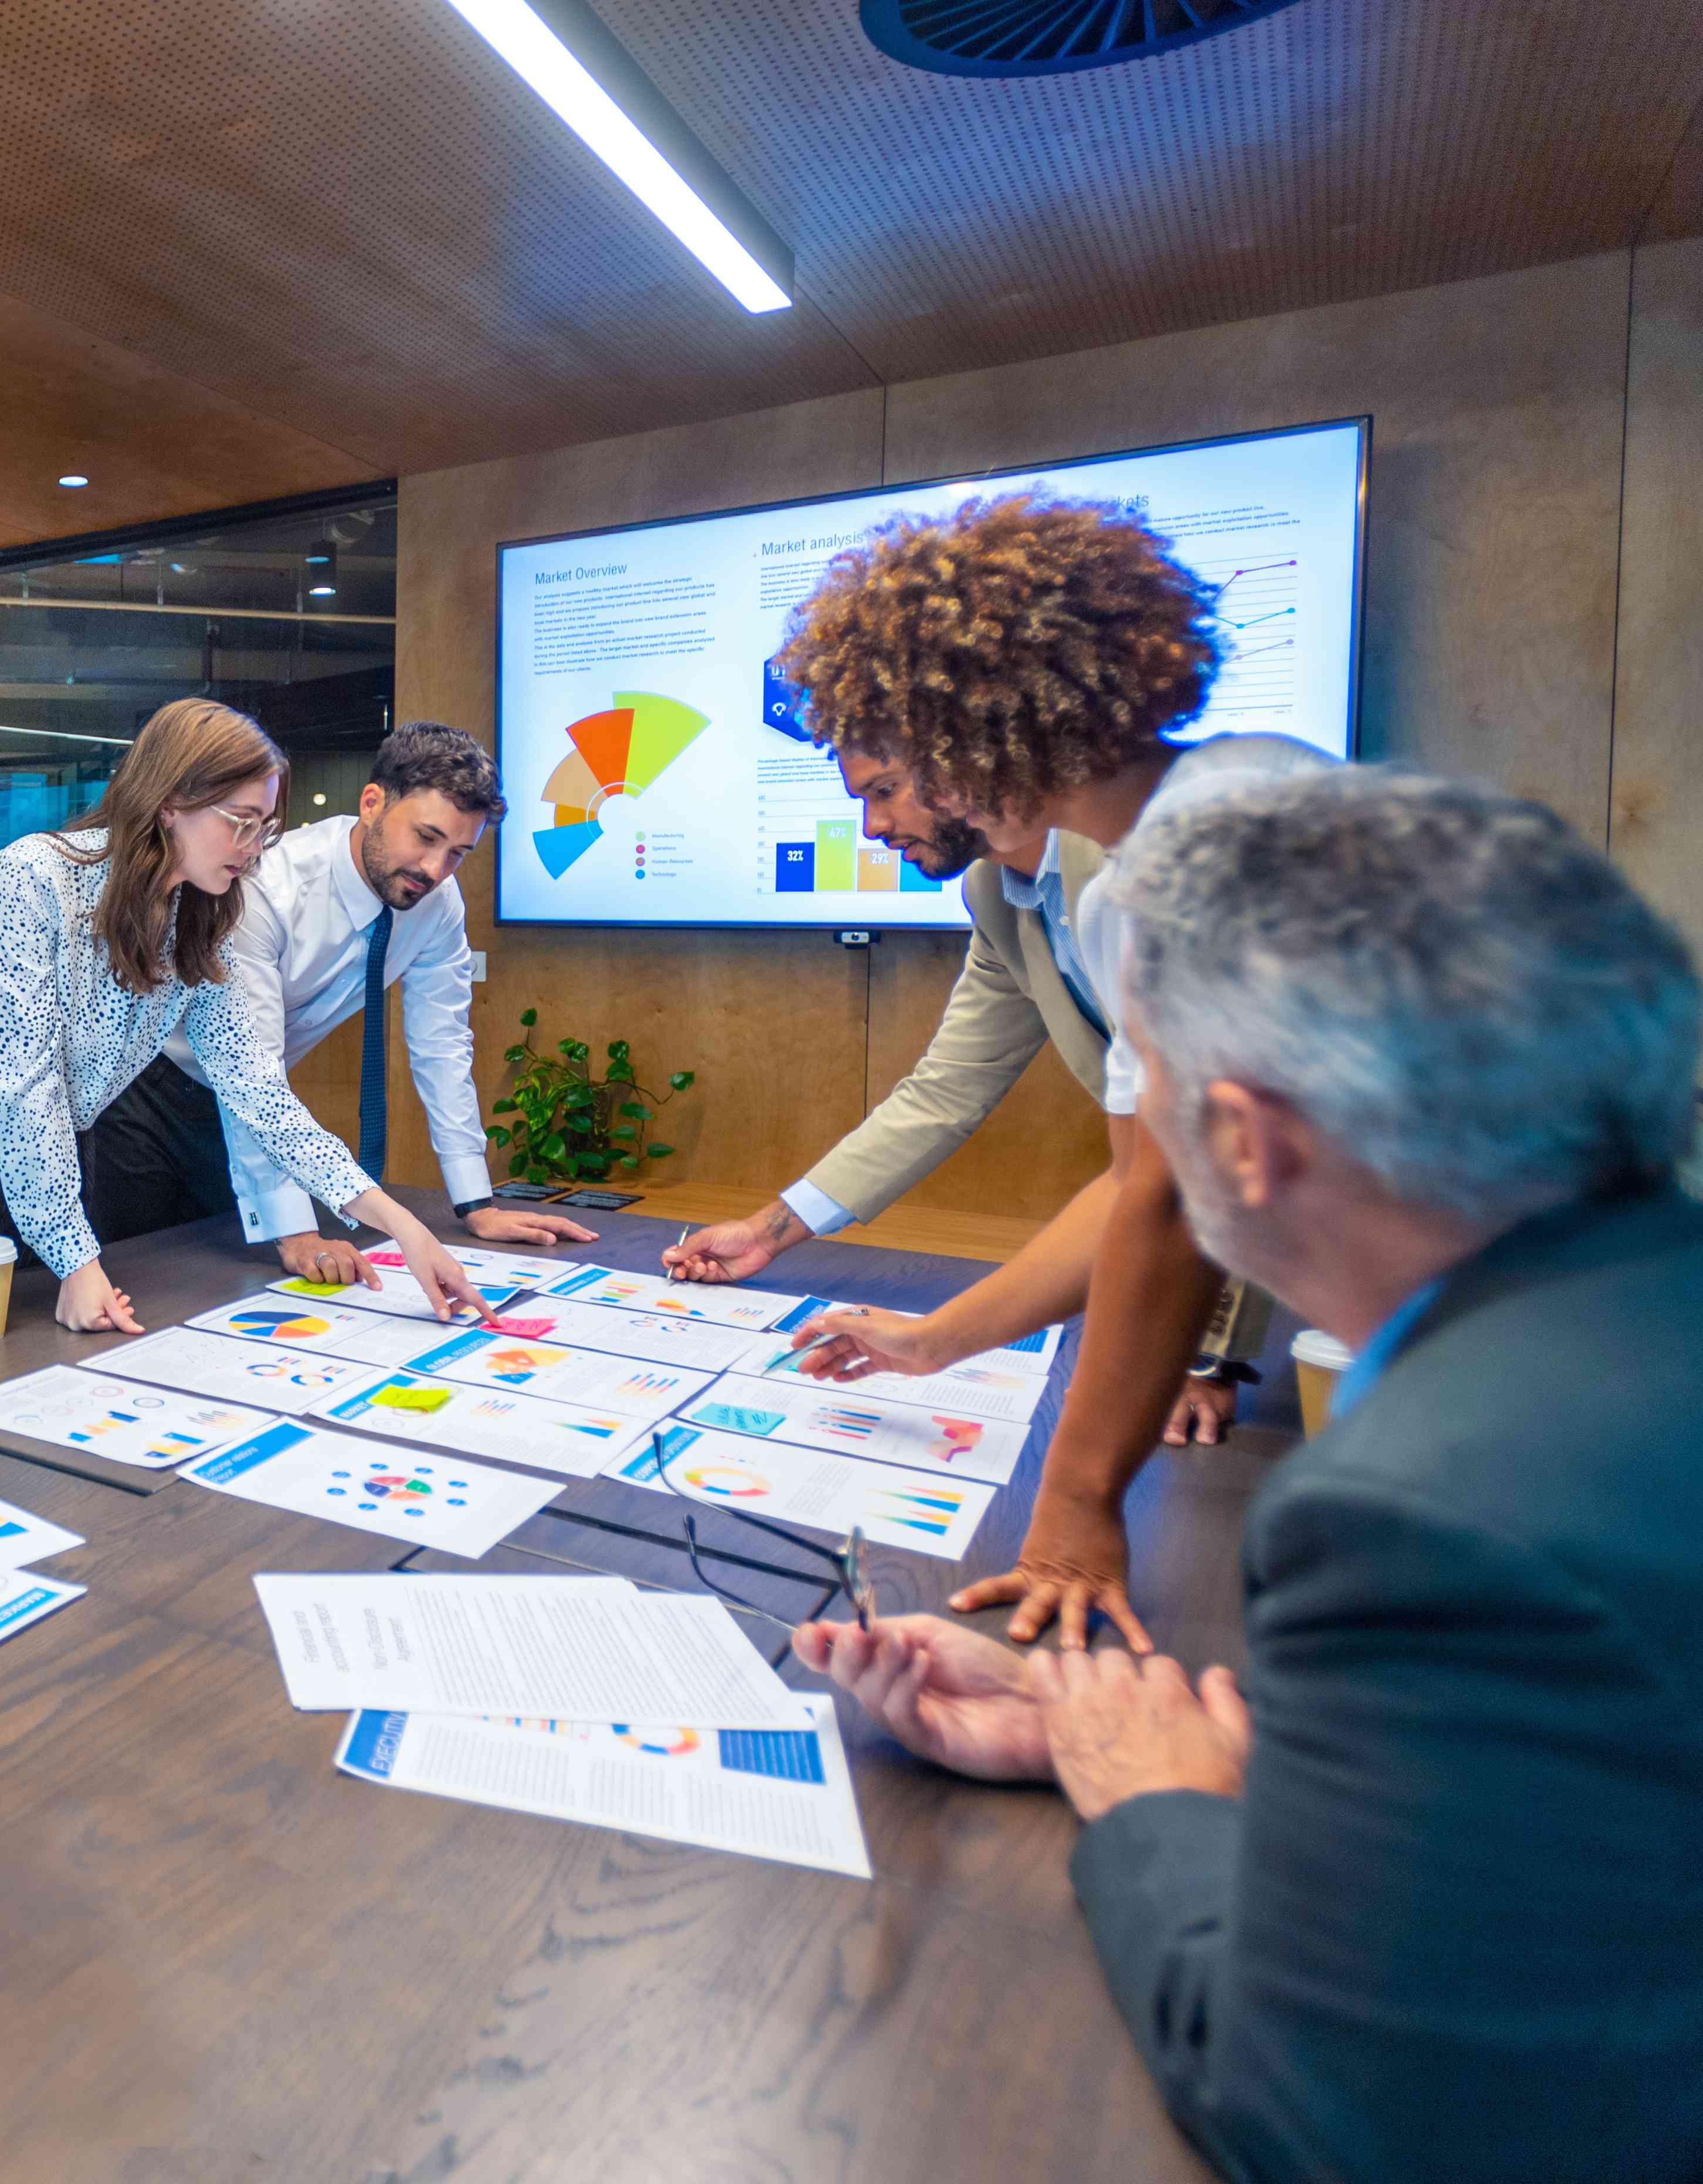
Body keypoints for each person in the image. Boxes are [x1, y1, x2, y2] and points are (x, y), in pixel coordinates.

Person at [796, 771, 1703, 2182]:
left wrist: (1149, 1799)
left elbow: (1329, 2112)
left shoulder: (1425, 1510)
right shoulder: (1622, 1335)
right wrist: (1118, 1724)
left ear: (1241, 1137)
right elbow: (1574, 1789)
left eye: (1142, 1085)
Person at [721, 490, 1328, 1647]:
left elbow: (1167, 1196)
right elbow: (1136, 1178)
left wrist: (1072, 1514)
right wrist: (936, 1338)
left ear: (965, 733)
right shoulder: (1196, 812)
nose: (895, 811)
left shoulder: (1175, 865)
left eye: (897, 774)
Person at [658, 742, 1255, 1447]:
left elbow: (1233, 1132)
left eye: (885, 790)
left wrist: (1195, 1352)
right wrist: (768, 1231)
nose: (872, 828)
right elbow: (946, 1088)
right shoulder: (997, 892)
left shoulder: (1137, 865)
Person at [0, 697, 485, 1330]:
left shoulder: (203, 914)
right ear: (169, 802)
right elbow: (27, 1089)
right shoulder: (33, 877)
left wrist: (401, 1225)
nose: (253, 847)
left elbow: (256, 1088)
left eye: (264, 825)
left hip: (67, 1159)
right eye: (239, 821)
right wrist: (78, 1260)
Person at [86, 720, 604, 1283]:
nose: (436, 870)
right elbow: (250, 1067)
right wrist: (297, 1231)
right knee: (142, 1278)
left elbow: (443, 1046)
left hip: (264, 1110)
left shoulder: (436, 903)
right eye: (426, 837)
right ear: (373, 802)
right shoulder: (265, 887)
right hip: (147, 1096)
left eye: (458, 853)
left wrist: (475, 1202)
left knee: (223, 1282)